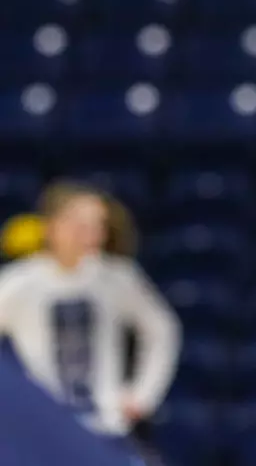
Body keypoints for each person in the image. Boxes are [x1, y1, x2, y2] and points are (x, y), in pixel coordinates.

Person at [0, 181, 179, 446]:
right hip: (41, 433)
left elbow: (161, 330)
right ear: (51, 226)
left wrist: (143, 395)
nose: (91, 235)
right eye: (80, 225)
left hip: (106, 429)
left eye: (98, 226)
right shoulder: (18, 282)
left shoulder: (116, 277)